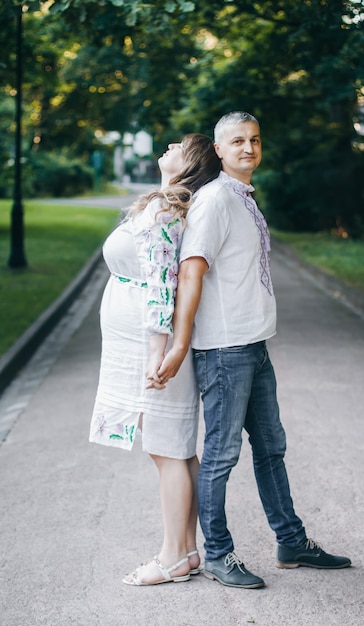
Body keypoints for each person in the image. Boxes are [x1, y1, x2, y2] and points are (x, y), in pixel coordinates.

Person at [156, 112, 351, 589]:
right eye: (238, 141)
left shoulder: (242, 198)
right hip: (224, 349)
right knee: (221, 456)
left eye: (255, 139)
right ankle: (218, 554)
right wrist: (181, 345)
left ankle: (291, 541)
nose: (249, 147)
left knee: (271, 449)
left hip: (253, 344)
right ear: (219, 150)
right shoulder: (215, 200)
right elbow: (190, 271)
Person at [89, 134, 221, 586]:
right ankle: (187, 550)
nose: (168, 145)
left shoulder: (168, 211)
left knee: (168, 448)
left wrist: (157, 352)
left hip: (152, 345)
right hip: (141, 341)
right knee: (172, 448)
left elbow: (164, 285)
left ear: (190, 163)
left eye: (178, 144)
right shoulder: (161, 203)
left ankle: (172, 557)